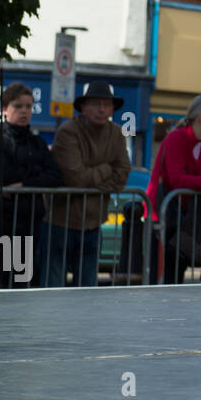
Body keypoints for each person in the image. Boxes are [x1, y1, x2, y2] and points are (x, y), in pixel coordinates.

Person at [43, 82, 131, 287]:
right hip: (61, 221)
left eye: (107, 105)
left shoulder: (117, 133)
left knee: (88, 290)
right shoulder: (68, 131)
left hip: (93, 222)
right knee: (53, 287)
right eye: (96, 104)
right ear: (83, 107)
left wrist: (93, 180)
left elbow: (123, 174)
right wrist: (107, 169)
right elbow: (76, 178)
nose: (102, 109)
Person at [146, 95, 201, 284]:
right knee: (165, 277)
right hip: (165, 218)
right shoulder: (176, 138)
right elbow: (178, 180)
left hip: (192, 220)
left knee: (182, 274)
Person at [0, 82, 62, 288]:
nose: (25, 111)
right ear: (5, 109)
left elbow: (54, 176)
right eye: (18, 106)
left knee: (24, 284)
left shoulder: (37, 143)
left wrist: (25, 183)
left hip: (29, 222)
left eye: (28, 106)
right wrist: (34, 173)